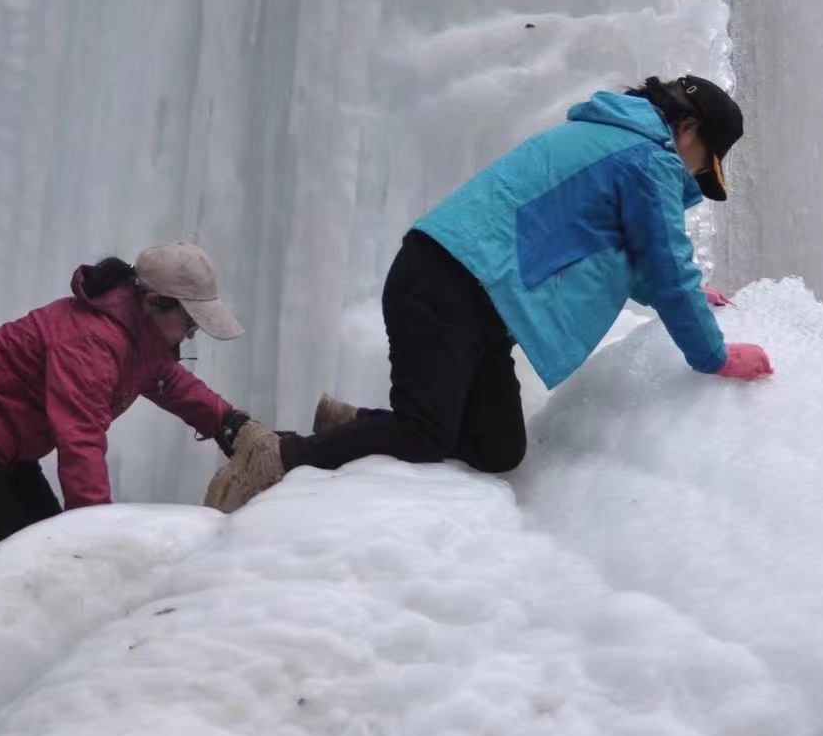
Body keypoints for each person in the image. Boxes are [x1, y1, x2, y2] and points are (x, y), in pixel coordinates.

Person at [205, 76, 773, 512]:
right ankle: (275, 454)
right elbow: (668, 263)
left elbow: (624, 255)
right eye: (704, 163)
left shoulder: (619, 144)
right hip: (452, 282)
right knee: (425, 434)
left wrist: (692, 295)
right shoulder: (646, 158)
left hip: (472, 295)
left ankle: (355, 426)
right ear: (688, 129)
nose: (694, 176)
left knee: (498, 448)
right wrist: (715, 357)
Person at [0, 242, 257, 553]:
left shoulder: (136, 330)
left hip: (3, 443)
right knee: (24, 567)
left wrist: (227, 421)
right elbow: (81, 439)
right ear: (153, 302)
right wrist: (95, 535)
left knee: (48, 555)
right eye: (189, 325)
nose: (189, 335)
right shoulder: (91, 342)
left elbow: (169, 381)